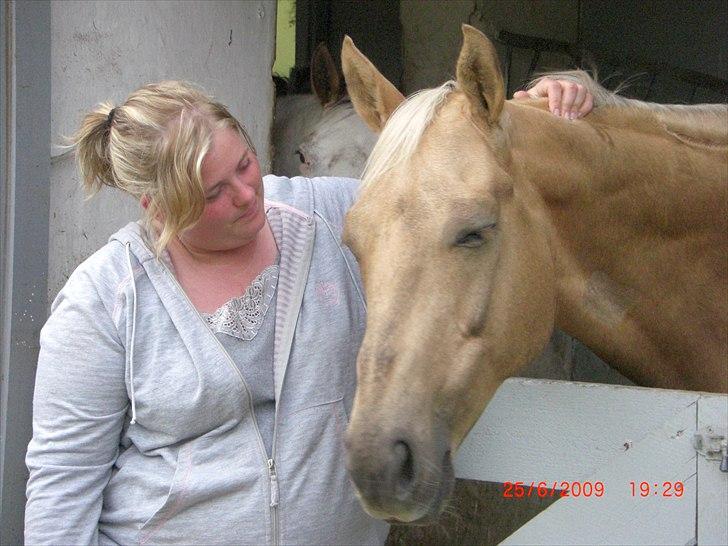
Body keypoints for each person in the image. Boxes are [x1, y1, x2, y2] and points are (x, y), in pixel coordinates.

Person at [25, 78, 593, 544]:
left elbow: (458, 178)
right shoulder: (103, 301)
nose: (248, 195)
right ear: (156, 206)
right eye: (214, 193)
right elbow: (62, 490)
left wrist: (555, 100)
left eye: (244, 164)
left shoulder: (333, 221)